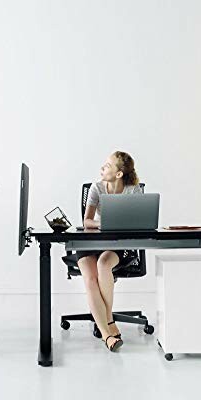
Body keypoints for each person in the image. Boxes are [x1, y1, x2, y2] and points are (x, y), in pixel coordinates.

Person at [76, 151, 142, 352]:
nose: (102, 168)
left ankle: (106, 320)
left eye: (107, 165)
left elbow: (138, 221)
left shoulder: (133, 191)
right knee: (90, 278)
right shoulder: (96, 188)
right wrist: (104, 223)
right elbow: (86, 221)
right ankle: (107, 332)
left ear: (119, 174)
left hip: (117, 245)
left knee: (103, 264)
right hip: (91, 241)